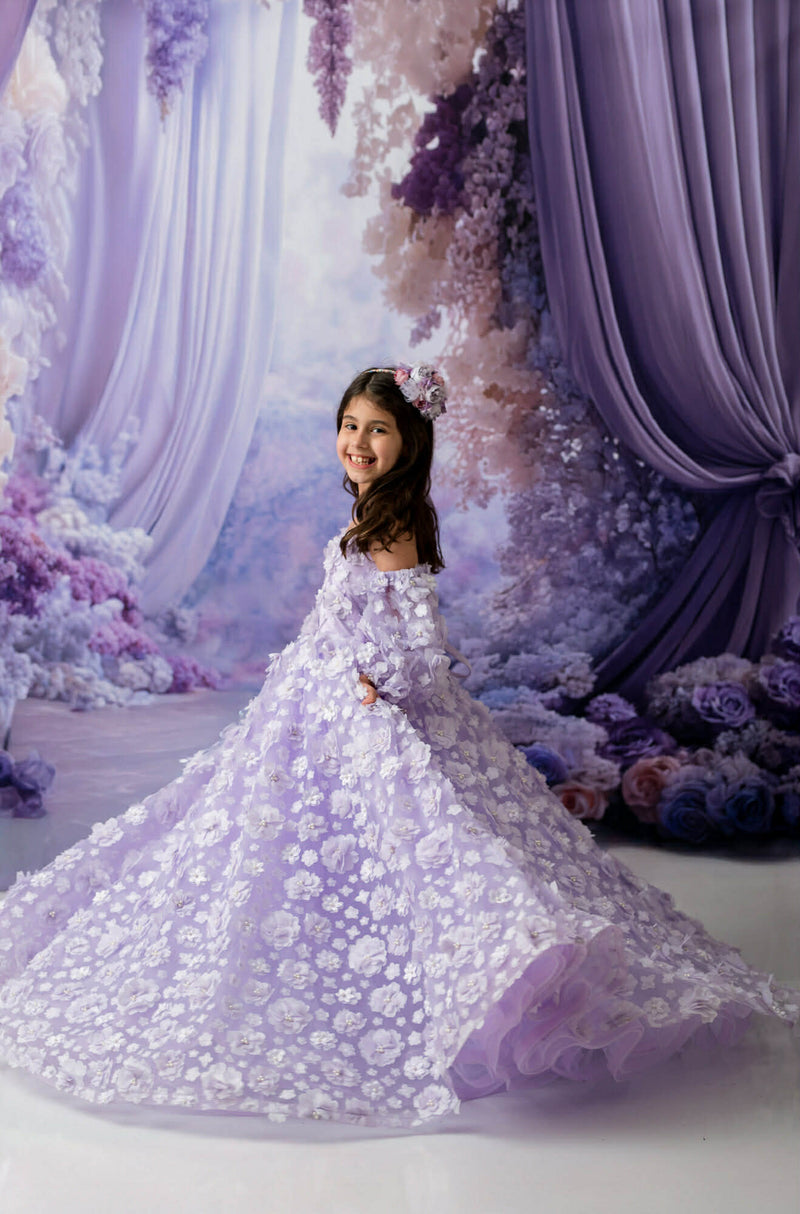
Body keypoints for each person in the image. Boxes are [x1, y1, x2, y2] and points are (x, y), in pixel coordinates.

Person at [0, 365, 796, 1128]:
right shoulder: (370, 508)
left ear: (409, 440)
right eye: (349, 425)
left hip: (363, 706)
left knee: (409, 851)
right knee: (287, 846)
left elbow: (420, 645)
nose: (358, 441)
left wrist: (371, 684)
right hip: (314, 701)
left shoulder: (399, 523)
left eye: (377, 430)